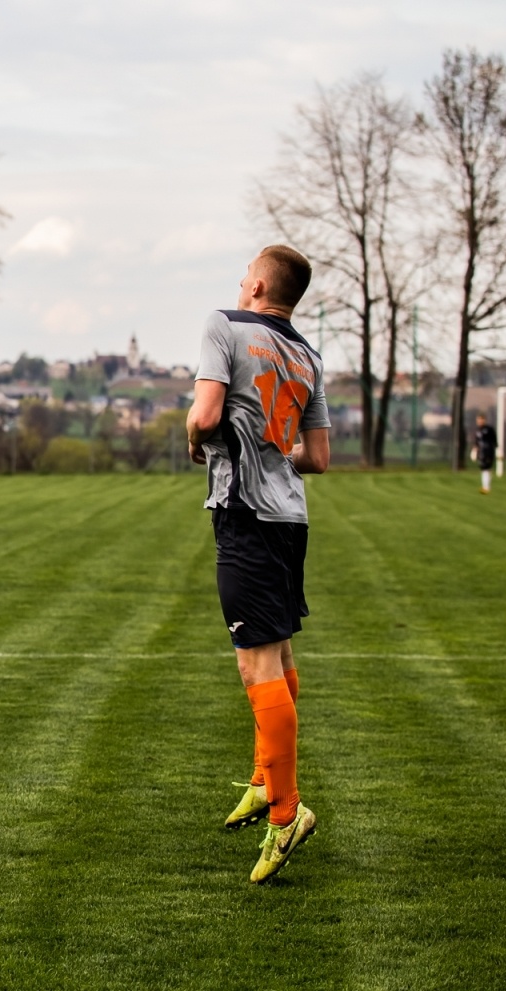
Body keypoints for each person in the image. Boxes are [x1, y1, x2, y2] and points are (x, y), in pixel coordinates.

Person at [186, 244, 330, 885]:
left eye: (247, 271)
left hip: (243, 511)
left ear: (259, 286)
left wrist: (195, 439)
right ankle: (262, 779)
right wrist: (275, 449)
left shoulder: (224, 323)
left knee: (256, 662)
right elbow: (318, 457)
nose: (240, 278)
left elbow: (206, 414)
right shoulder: (308, 355)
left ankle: (287, 812)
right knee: (281, 655)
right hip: (290, 518)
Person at [473, 414, 497, 494]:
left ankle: (486, 487)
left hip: (488, 451)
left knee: (487, 468)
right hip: (481, 452)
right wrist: (474, 450)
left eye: (481, 419)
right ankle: (485, 487)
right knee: (483, 469)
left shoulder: (489, 429)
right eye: (478, 420)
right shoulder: (478, 430)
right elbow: (476, 442)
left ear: (484, 420)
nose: (479, 421)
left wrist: (497, 450)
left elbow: (494, 441)